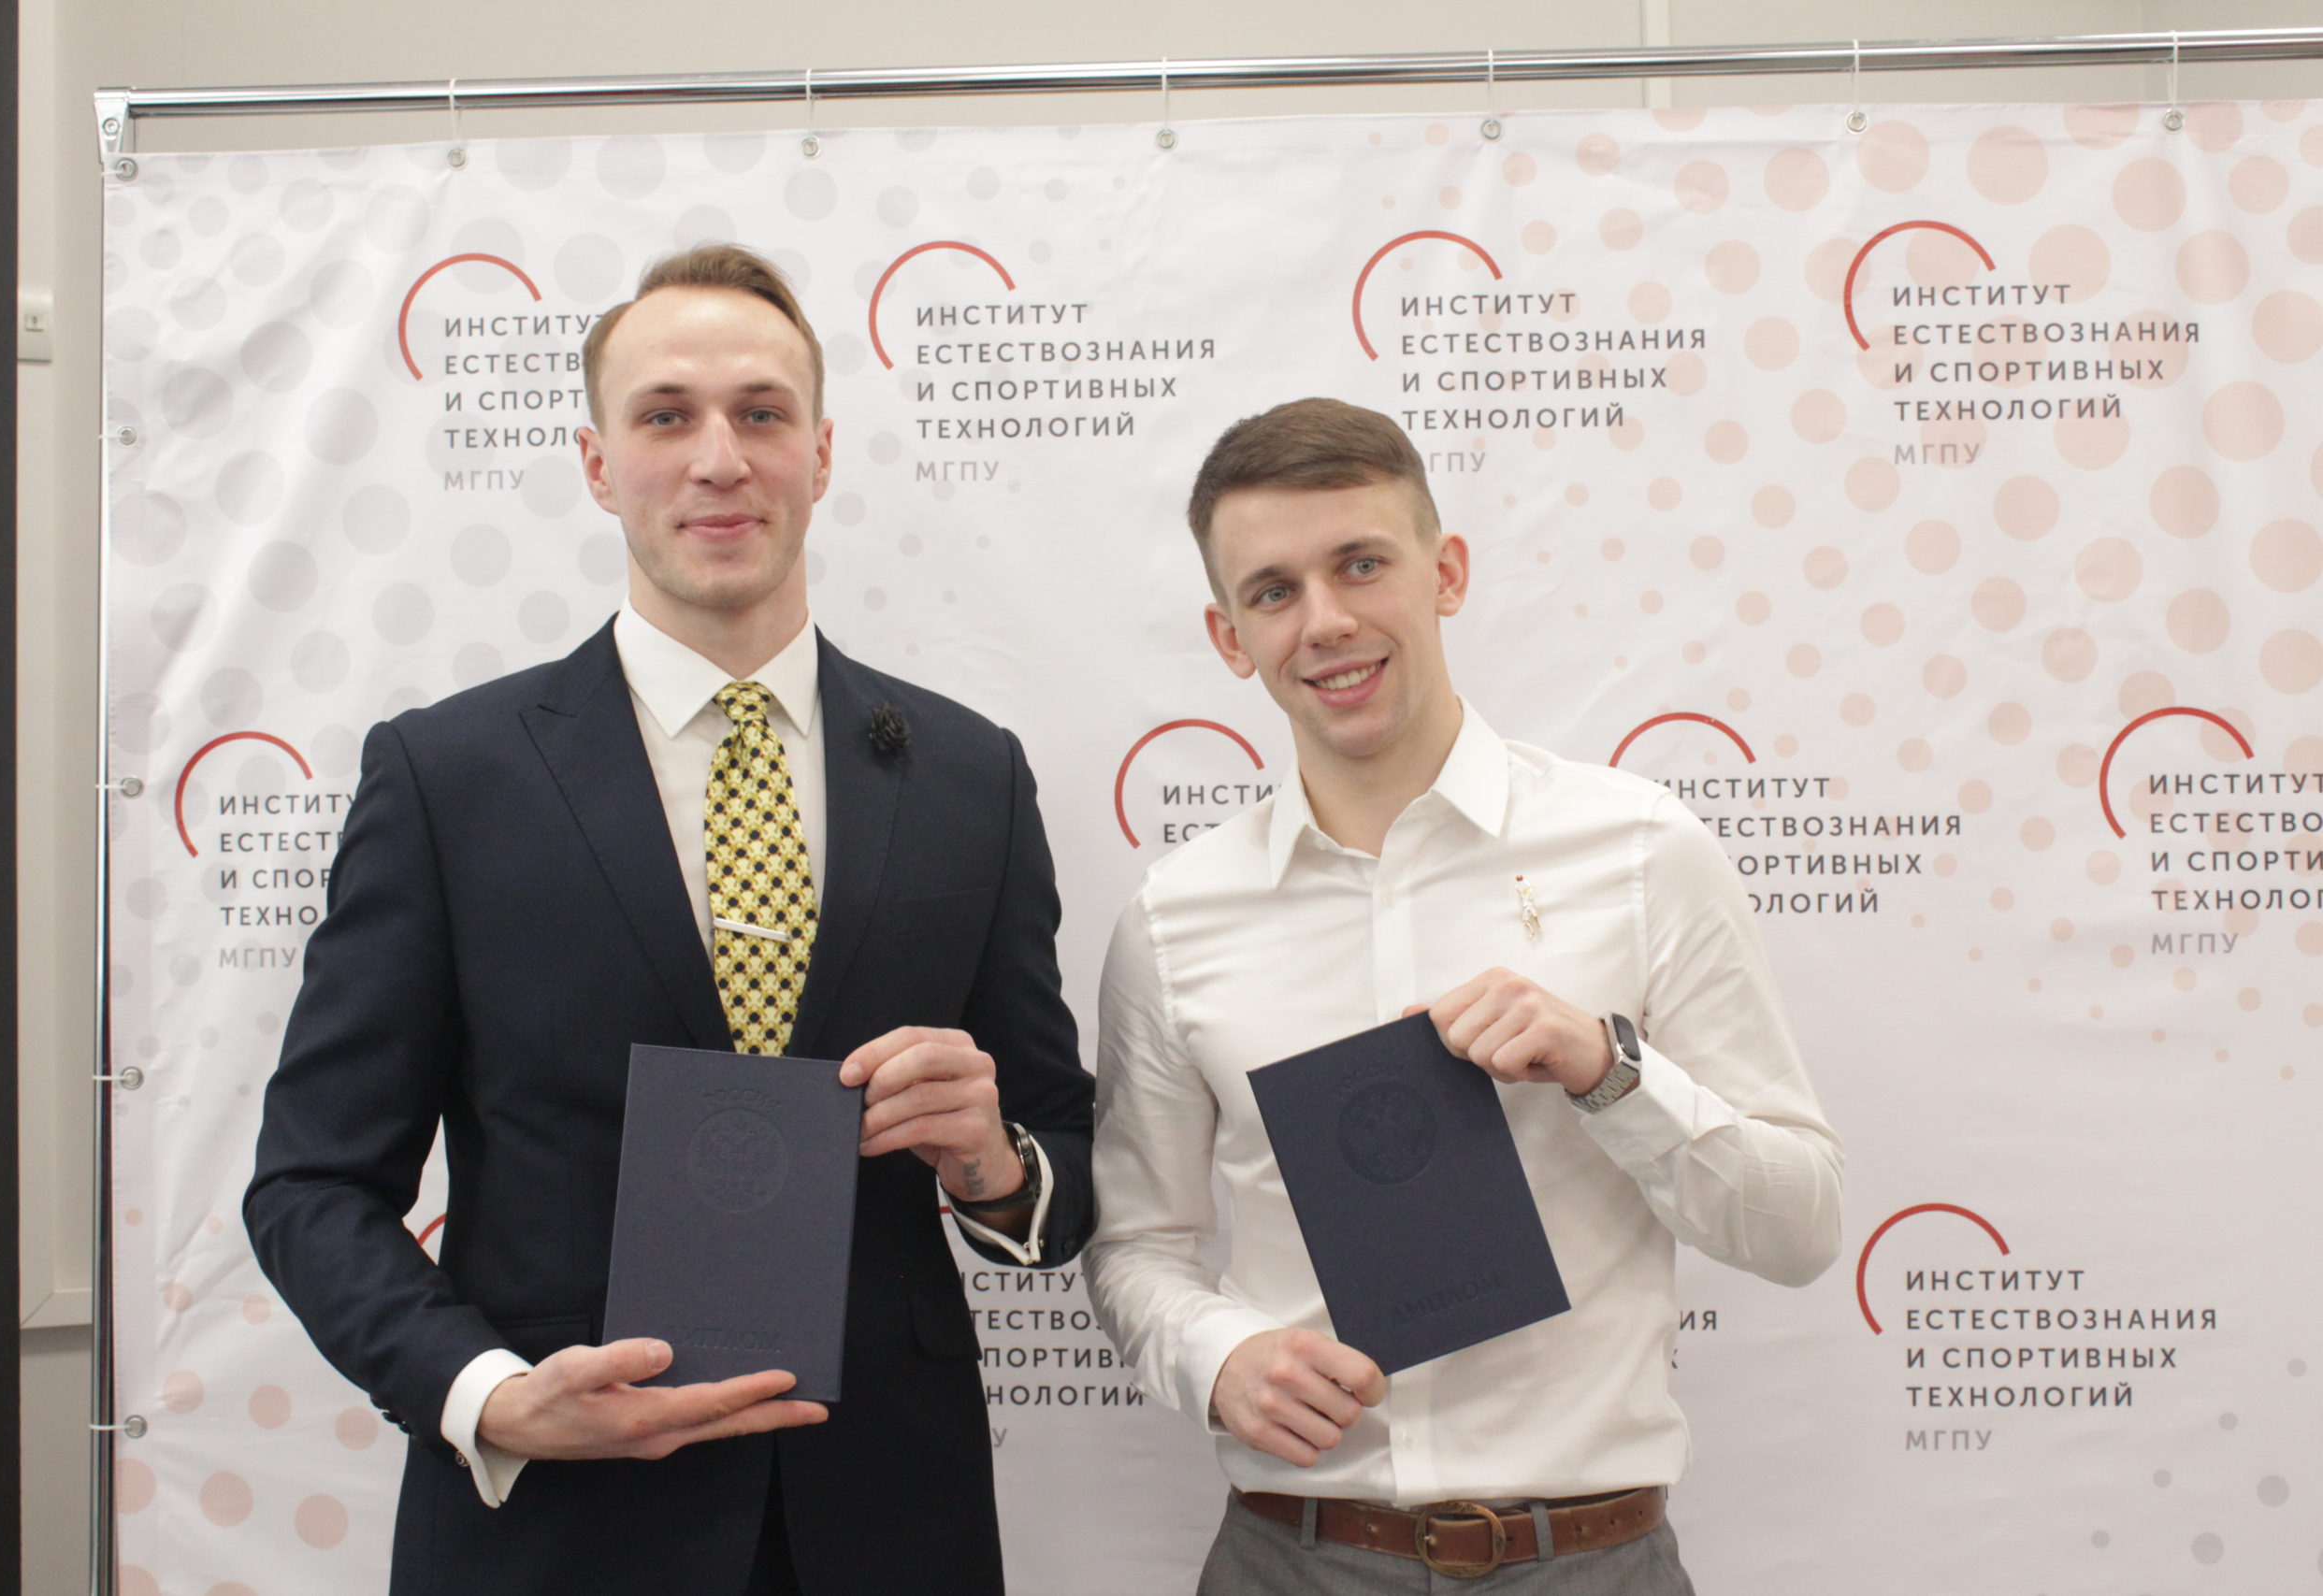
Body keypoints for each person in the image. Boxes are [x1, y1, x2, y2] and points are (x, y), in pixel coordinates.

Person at [246, 244, 1094, 1596]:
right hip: (555, 1528)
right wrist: (487, 1393)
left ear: (821, 453)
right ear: (597, 463)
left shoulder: (968, 775)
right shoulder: (448, 777)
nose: (718, 459)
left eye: (761, 413)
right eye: (665, 415)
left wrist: (993, 1161)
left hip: (887, 1519)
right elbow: (312, 1184)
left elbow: (1065, 1165)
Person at [1083, 398, 1843, 1593]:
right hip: (1295, 1560)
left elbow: (1800, 1226)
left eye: (1360, 564)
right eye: (1274, 591)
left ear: (1444, 573)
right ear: (1230, 636)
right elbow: (1137, 1246)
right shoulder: (1174, 922)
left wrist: (1611, 1072)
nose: (1325, 623)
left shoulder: (1640, 853)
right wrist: (1216, 1355)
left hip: (1590, 1565)